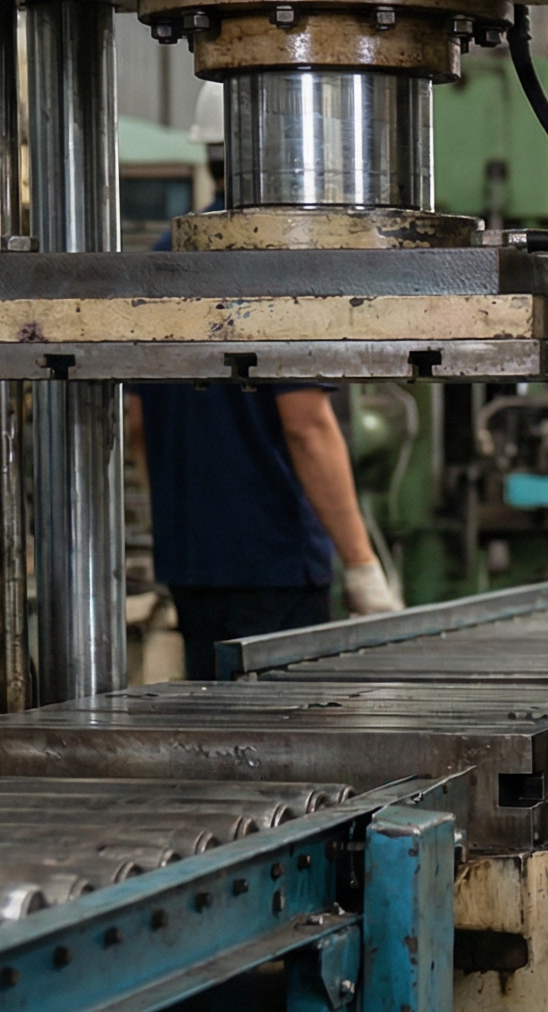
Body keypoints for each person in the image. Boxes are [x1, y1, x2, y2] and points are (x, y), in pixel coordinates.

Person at [124, 83, 397, 682]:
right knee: (285, 743)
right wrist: (361, 564)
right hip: (274, 568)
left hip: (191, 564)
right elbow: (306, 425)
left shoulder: (164, 258)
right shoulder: (278, 262)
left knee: (217, 745)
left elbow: (137, 423)